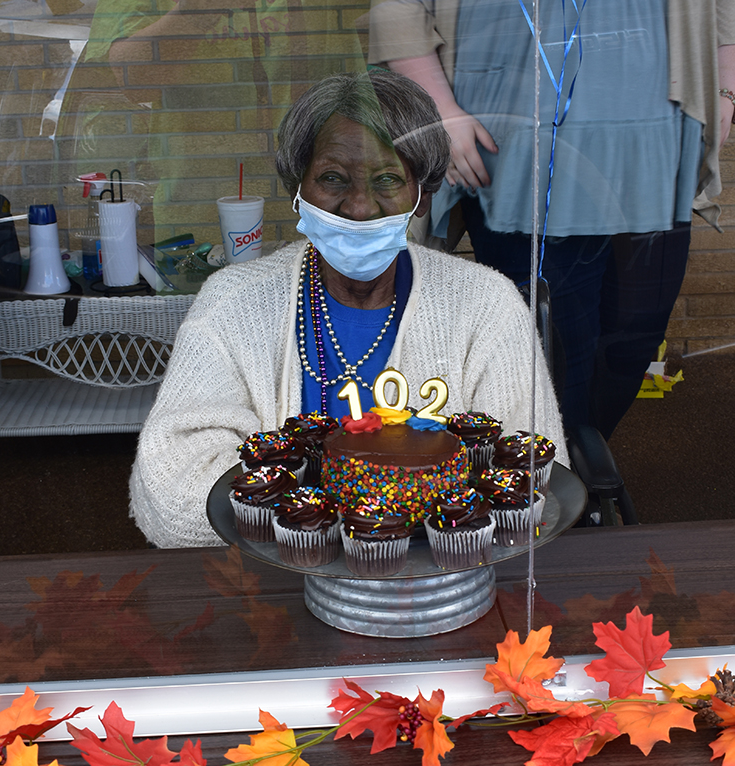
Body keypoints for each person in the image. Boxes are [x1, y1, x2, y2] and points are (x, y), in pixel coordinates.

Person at [130, 69, 565, 548]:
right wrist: (338, 524)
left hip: (443, 593)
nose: (359, 207)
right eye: (333, 178)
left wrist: (312, 508)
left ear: (422, 195)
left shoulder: (486, 304)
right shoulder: (232, 304)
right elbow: (169, 496)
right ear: (299, 188)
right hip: (268, 596)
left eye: (387, 179)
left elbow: (530, 479)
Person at [368, 0, 735, 439]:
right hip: (516, 144)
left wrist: (725, 86)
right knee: (555, 353)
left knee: (634, 342)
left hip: (652, 134)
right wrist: (439, 110)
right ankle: (565, 482)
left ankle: (579, 465)